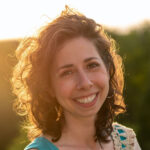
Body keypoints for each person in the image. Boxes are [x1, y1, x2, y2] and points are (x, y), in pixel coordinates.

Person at [11, 6, 141, 150]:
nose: (85, 83)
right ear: (48, 87)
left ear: (108, 68)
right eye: (67, 72)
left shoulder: (126, 141)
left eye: (92, 65)